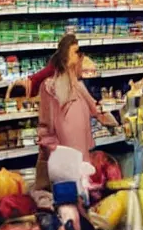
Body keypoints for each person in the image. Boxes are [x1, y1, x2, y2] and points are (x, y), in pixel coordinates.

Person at [37, 34, 117, 169]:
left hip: (82, 161)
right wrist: (54, 153)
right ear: (65, 58)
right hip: (63, 162)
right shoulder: (51, 88)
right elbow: (45, 128)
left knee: (82, 186)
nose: (81, 58)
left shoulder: (79, 88)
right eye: (76, 53)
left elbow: (98, 111)